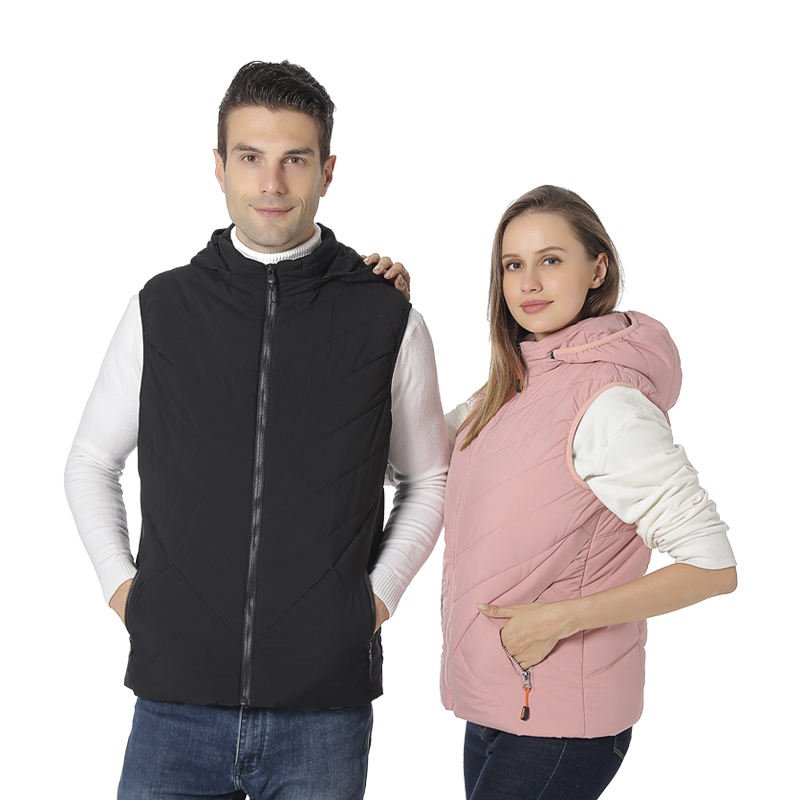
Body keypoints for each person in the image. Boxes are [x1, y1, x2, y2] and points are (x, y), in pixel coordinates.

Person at [64, 60, 449, 800]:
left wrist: (373, 602)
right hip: (174, 705)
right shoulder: (162, 308)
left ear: (327, 171)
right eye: (250, 157)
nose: (271, 183)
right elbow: (89, 461)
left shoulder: (386, 318)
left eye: (294, 159)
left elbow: (428, 476)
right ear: (218, 167)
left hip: (323, 711)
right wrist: (126, 592)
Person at [378, 185, 737, 799]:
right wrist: (383, 323)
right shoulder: (509, 389)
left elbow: (712, 566)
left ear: (597, 269)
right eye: (512, 264)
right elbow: (404, 462)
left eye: (550, 260)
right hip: (499, 701)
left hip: (560, 717)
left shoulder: (609, 403)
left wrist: (557, 620)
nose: (528, 283)